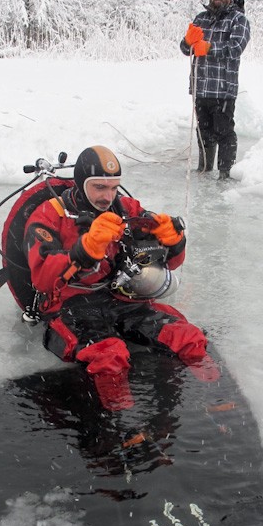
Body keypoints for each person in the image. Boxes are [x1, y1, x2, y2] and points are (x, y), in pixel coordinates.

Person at [23, 145, 218, 411]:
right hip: (69, 303)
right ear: (81, 184)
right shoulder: (49, 215)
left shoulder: (127, 209)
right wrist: (85, 249)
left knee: (185, 336)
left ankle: (217, 397)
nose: (108, 196)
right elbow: (43, 279)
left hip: (120, 296)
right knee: (108, 356)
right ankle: (118, 422)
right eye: (99, 187)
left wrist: (174, 242)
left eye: (114, 187)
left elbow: (170, 264)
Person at [180, 0, 250, 180]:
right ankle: (204, 169)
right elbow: (185, 49)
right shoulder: (200, 19)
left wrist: (208, 47)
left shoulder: (239, 20)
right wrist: (187, 41)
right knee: (203, 132)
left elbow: (236, 48)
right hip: (201, 87)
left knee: (224, 132)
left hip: (223, 89)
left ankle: (225, 175)